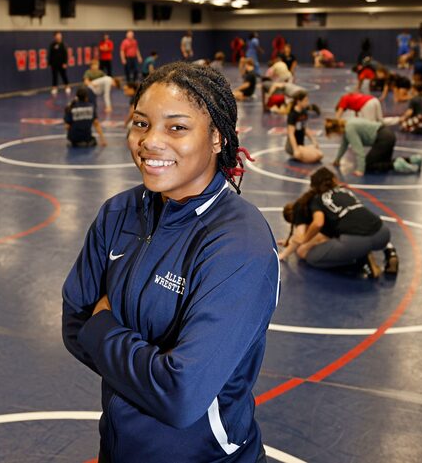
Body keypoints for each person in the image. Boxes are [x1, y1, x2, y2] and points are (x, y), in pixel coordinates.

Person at [61, 61, 279, 463]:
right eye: (141, 124)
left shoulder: (239, 243)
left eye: (176, 127)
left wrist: (103, 326)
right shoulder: (118, 213)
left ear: (216, 137)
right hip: (118, 449)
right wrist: (148, 368)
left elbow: (181, 396)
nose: (150, 142)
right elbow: (73, 324)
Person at [287, 167, 399, 278]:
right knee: (362, 225)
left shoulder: (318, 199)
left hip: (355, 242)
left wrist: (304, 239)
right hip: (383, 233)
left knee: (310, 256)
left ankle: (359, 261)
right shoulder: (345, 191)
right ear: (334, 180)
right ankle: (390, 251)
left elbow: (318, 223)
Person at [326, 117, 422, 176]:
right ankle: (413, 159)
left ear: (336, 130)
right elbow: (344, 145)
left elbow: (359, 151)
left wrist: (360, 169)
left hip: (383, 138)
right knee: (383, 162)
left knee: (369, 165)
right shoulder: (348, 124)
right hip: (387, 134)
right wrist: (337, 160)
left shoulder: (349, 129)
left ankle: (395, 165)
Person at [285, 91, 323, 163]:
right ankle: (297, 154)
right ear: (299, 101)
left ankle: (303, 151)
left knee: (320, 154)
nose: (307, 103)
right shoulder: (292, 115)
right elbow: (291, 134)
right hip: (293, 146)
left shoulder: (304, 112)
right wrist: (295, 149)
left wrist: (313, 141)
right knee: (316, 156)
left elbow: (305, 128)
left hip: (301, 145)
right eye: (305, 101)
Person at [50, 31, 70, 97]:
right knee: (54, 76)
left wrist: (65, 63)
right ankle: (54, 88)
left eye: (60, 35)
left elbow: (65, 54)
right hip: (54, 64)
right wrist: (50, 62)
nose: (59, 36)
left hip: (62, 63)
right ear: (55, 36)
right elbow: (51, 54)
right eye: (57, 35)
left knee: (64, 75)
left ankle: (67, 87)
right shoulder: (52, 45)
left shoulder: (63, 45)